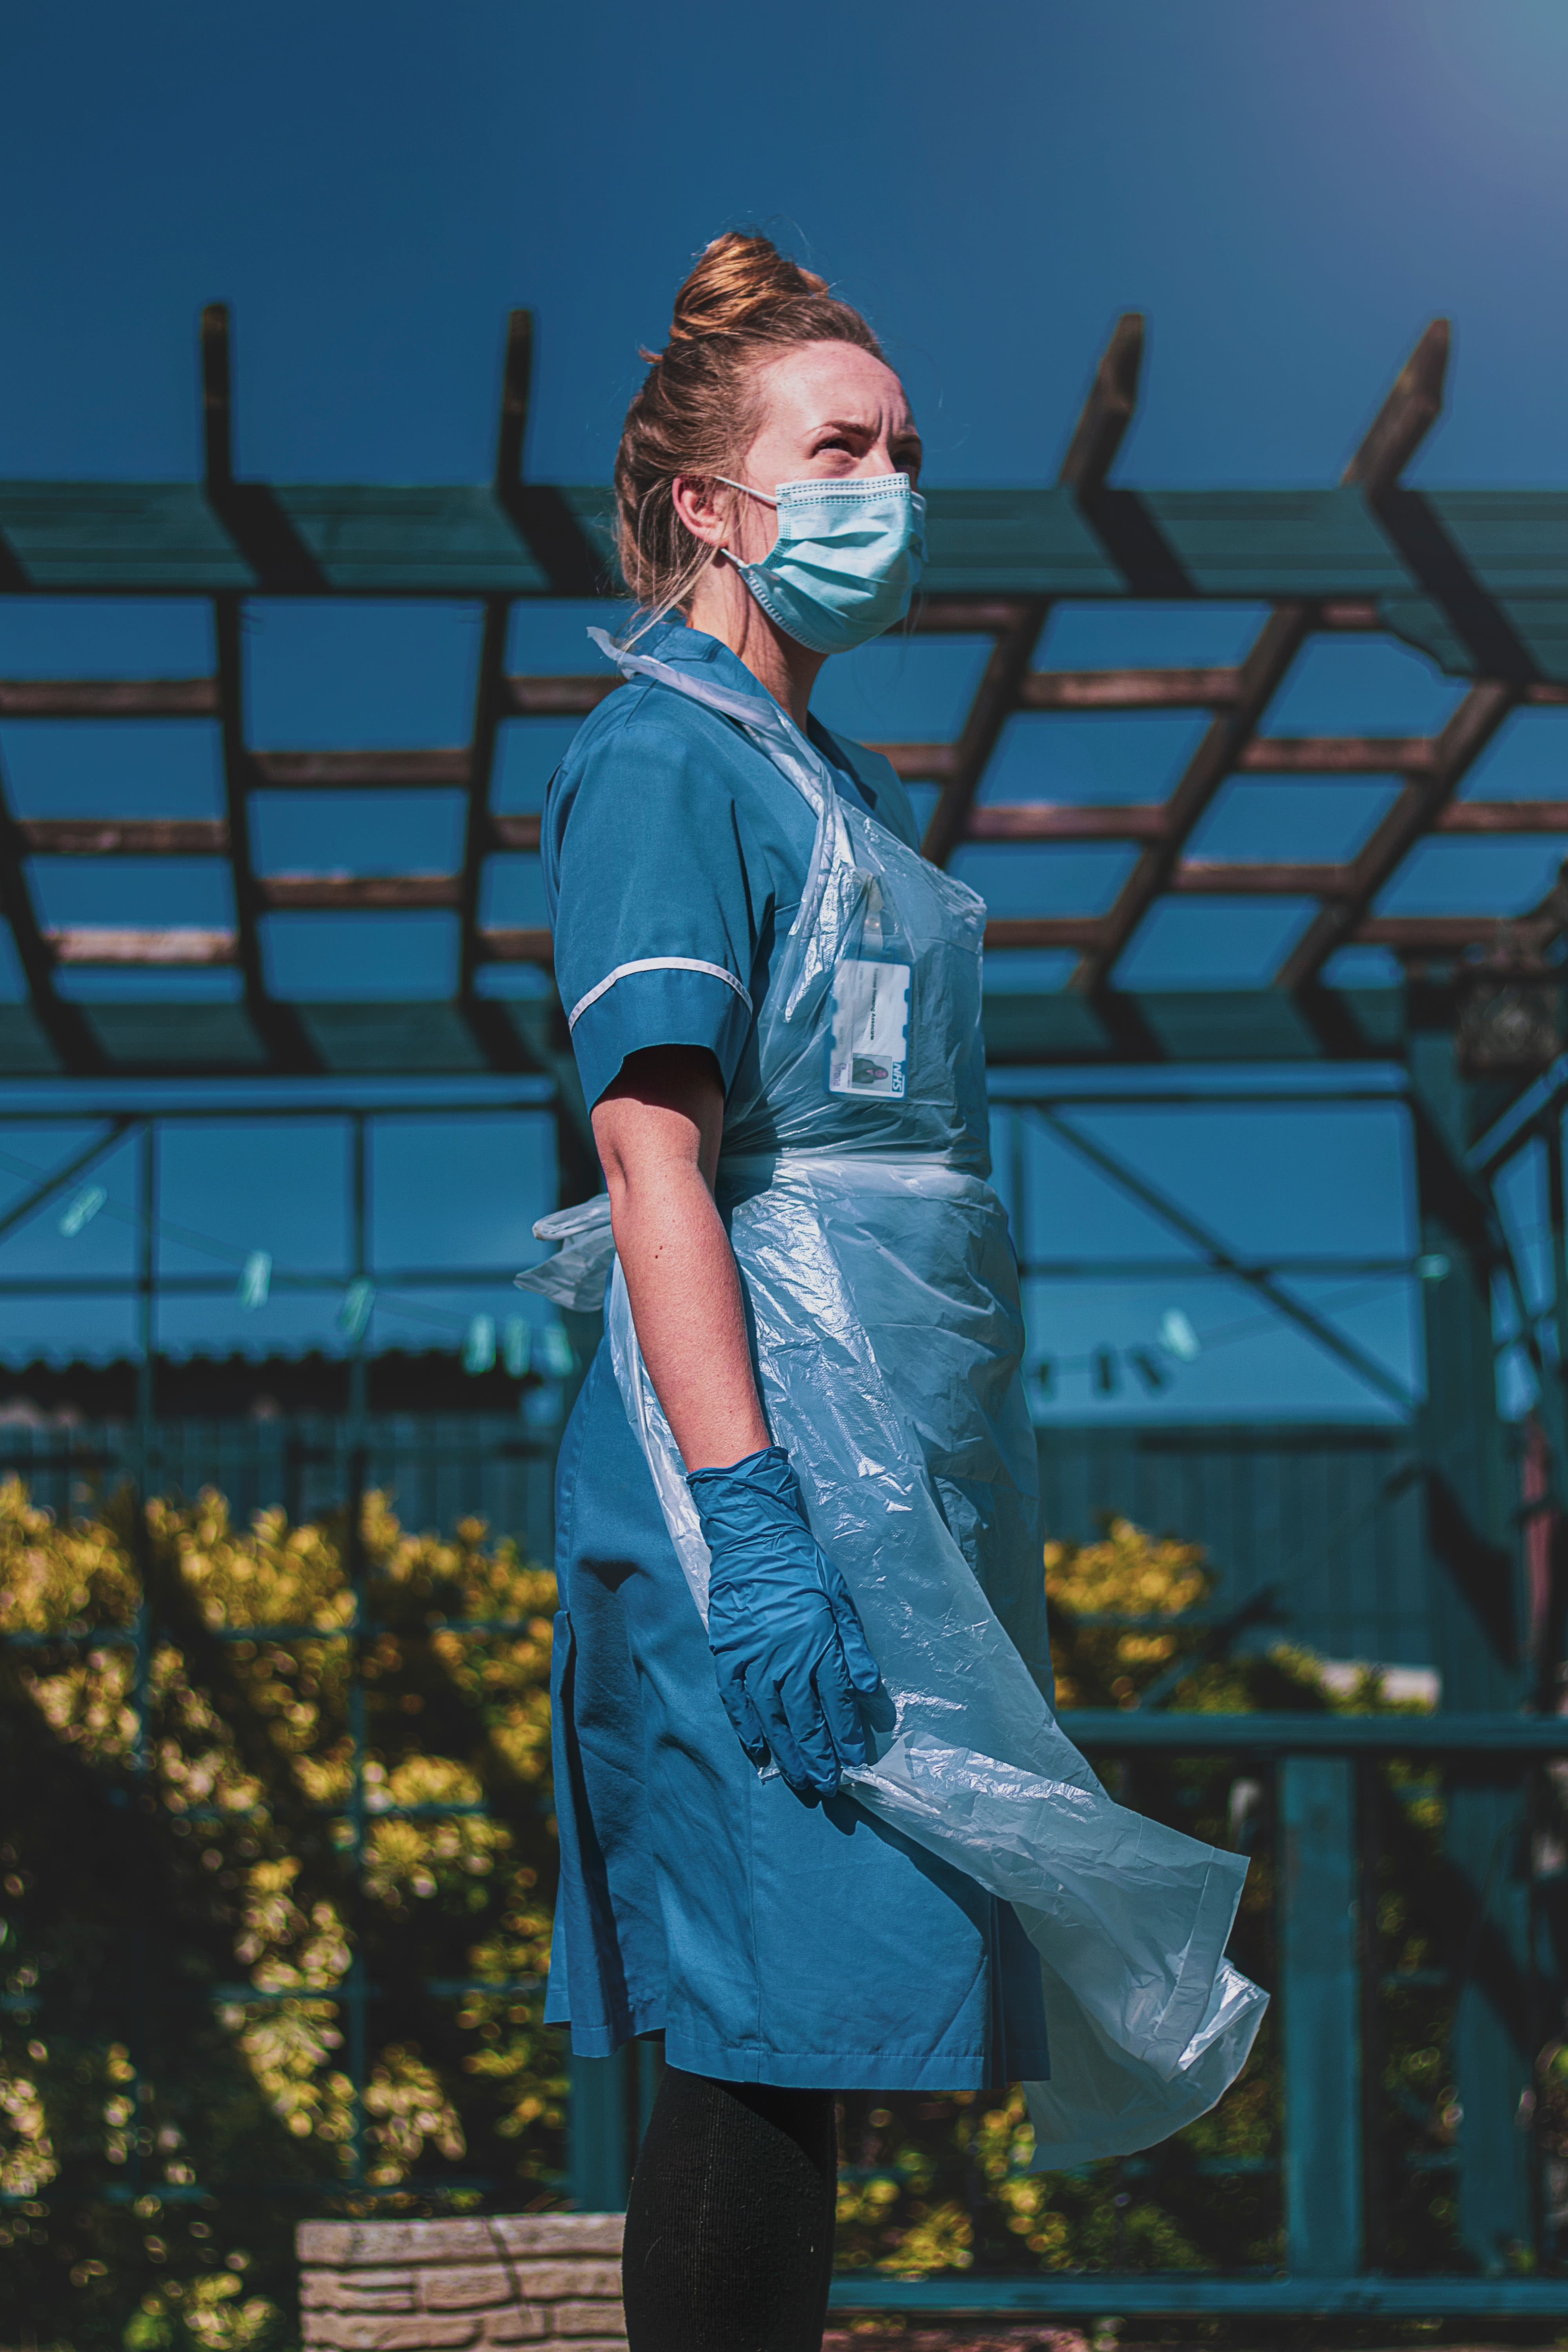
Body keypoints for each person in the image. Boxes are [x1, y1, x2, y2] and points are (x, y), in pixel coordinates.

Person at [529, 232, 1263, 2352]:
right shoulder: (665, 757)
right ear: (709, 501)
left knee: (818, 2020)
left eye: (908, 452)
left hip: (888, 1459)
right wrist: (755, 1525)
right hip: (751, 1465)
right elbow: (654, 1146)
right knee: (755, 2033)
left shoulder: (827, 777)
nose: (890, 488)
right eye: (840, 446)